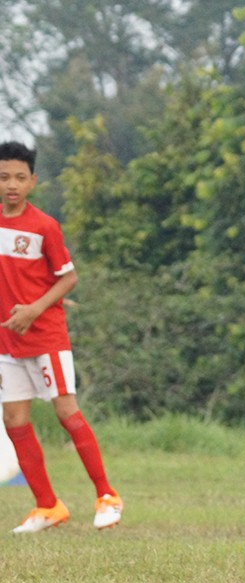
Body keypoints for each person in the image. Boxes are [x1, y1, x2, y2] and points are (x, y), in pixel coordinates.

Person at [0, 141, 124, 532]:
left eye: (20, 177)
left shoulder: (44, 226)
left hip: (45, 337)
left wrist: (35, 308)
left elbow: (68, 277)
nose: (11, 184)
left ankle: (107, 496)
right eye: (4, 177)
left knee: (65, 412)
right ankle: (47, 506)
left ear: (33, 181)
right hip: (7, 342)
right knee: (14, 418)